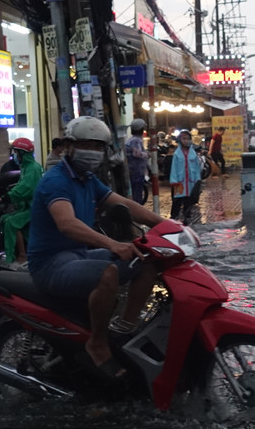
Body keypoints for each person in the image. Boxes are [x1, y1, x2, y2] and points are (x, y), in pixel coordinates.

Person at [28, 116, 165, 380]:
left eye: (98, 147)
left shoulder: (88, 179)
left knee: (147, 259)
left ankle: (125, 328)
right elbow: (67, 224)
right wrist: (113, 243)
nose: (92, 152)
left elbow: (124, 204)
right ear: (69, 146)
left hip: (78, 256)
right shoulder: (55, 181)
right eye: (86, 145)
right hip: (50, 264)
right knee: (108, 273)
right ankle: (97, 343)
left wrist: (167, 225)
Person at [0, 138, 42, 265]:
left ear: (22, 153)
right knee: (4, 218)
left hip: (35, 208)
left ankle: (19, 256)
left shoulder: (33, 168)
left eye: (16, 152)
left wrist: (8, 197)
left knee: (11, 223)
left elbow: (26, 188)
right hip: (27, 207)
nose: (14, 155)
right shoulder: (26, 167)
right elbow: (20, 185)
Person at [168, 129, 206, 222]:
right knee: (177, 200)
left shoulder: (193, 154)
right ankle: (173, 217)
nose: (186, 141)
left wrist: (198, 179)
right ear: (180, 140)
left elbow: (197, 167)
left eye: (188, 139)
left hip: (191, 181)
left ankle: (187, 217)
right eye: (184, 138)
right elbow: (174, 168)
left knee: (188, 200)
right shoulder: (177, 154)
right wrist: (174, 180)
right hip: (179, 182)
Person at [124, 118, 150, 204]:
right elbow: (137, 153)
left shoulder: (130, 139)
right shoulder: (136, 140)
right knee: (137, 195)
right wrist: (147, 155)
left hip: (133, 171)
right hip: (136, 172)